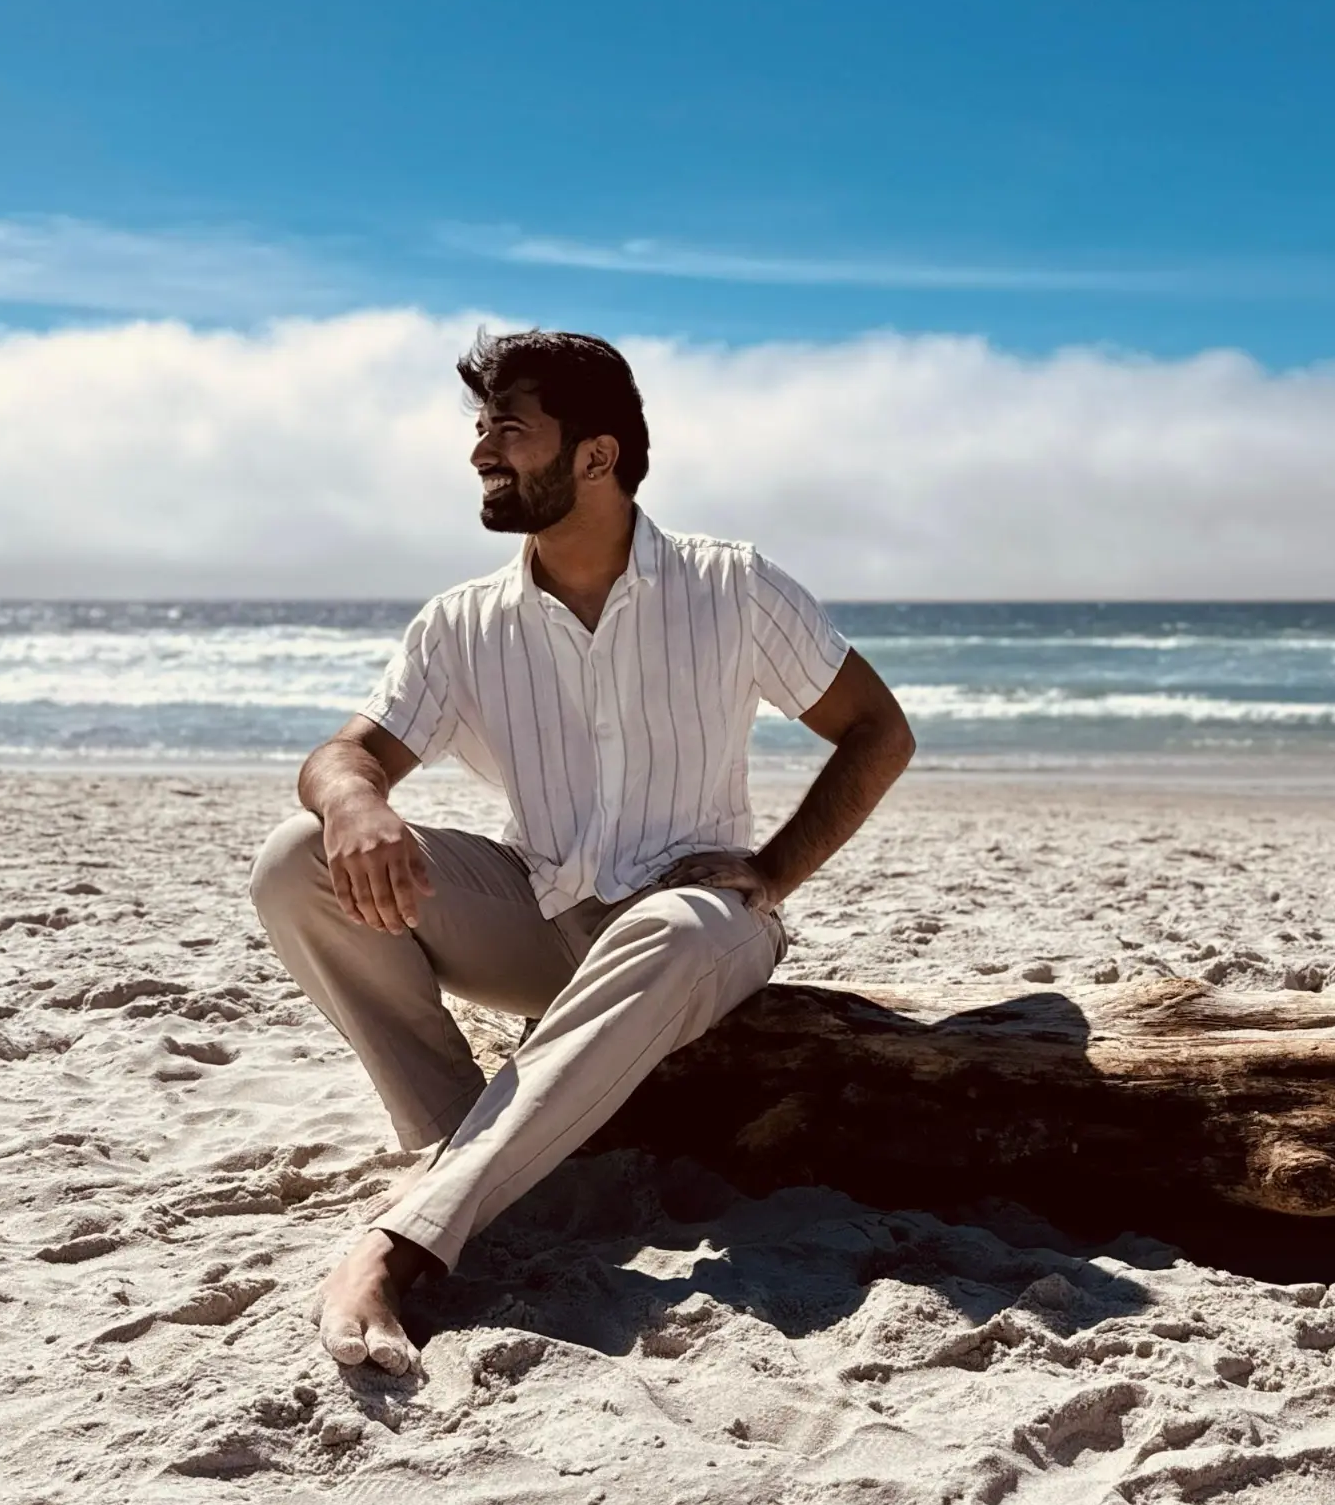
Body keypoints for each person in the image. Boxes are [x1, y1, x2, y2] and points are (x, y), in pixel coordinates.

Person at [249, 330, 915, 1374]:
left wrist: (775, 870)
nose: (482, 451)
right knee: (297, 859)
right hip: (540, 916)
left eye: (510, 429)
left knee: (670, 927)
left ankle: (399, 1243)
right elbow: (344, 754)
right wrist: (353, 801)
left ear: (596, 455)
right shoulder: (462, 622)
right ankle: (453, 1140)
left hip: (699, 926)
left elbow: (879, 730)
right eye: (481, 428)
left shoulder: (730, 584)